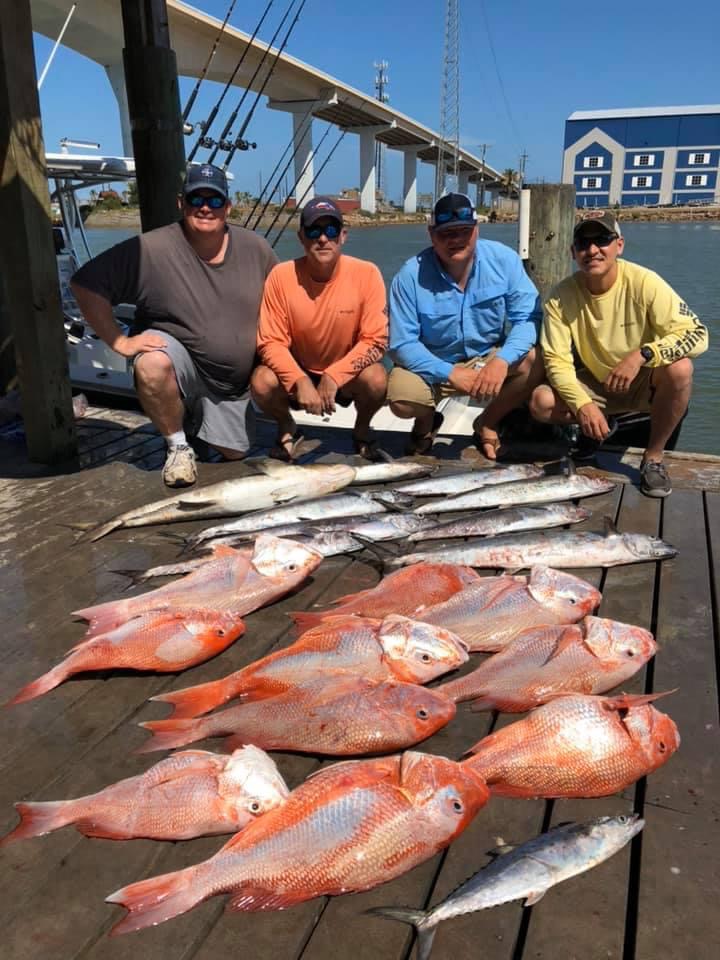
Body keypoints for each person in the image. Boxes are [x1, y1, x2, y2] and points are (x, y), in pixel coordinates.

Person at [71, 163, 278, 487]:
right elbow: (85, 284)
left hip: (231, 385)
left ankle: (193, 416)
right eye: (197, 199)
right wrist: (118, 342)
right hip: (178, 360)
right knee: (152, 364)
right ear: (181, 203)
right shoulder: (150, 249)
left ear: (228, 206)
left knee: (234, 453)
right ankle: (178, 445)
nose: (205, 208)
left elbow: (281, 302)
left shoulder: (257, 248)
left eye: (214, 200)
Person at [530, 212, 708, 498]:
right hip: (598, 382)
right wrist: (583, 405)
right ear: (573, 252)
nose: (592, 250)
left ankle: (653, 459)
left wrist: (643, 355)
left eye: (602, 240)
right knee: (541, 401)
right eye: (583, 243)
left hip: (641, 381)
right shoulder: (560, 296)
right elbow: (557, 361)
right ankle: (599, 425)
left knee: (681, 369)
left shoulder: (645, 282)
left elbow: (698, 335)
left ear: (619, 245)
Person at [387, 193, 543, 458]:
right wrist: (450, 372)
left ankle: (487, 422)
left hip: (487, 357)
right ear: (431, 234)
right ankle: (427, 422)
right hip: (435, 362)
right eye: (446, 233)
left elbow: (528, 318)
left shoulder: (504, 260)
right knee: (401, 398)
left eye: (463, 231)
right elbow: (402, 344)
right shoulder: (409, 276)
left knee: (537, 360)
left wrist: (502, 361)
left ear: (476, 230)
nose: (455, 240)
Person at [252, 197, 388, 460]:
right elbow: (270, 342)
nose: (323, 238)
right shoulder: (281, 275)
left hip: (346, 372)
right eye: (314, 231)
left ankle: (361, 429)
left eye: (331, 230)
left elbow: (376, 341)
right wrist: (298, 379)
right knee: (261, 382)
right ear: (302, 237)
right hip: (299, 366)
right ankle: (286, 424)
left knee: (377, 379)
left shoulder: (367, 273)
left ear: (343, 236)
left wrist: (335, 375)